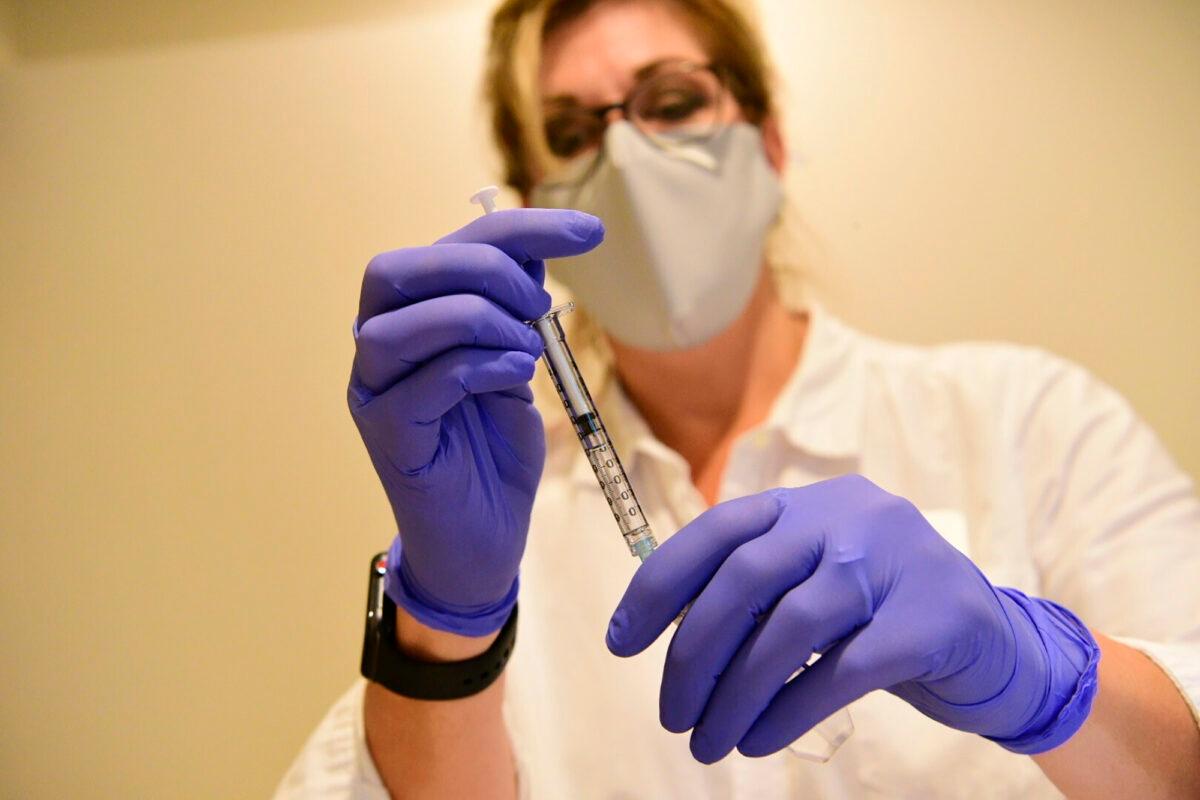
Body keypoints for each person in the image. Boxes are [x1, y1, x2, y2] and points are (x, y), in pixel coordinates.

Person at [276, 0, 1200, 797]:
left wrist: (1040, 675)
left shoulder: (1030, 422)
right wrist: (442, 623)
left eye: (673, 103)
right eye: (573, 132)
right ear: (527, 204)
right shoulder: (509, 528)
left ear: (769, 140)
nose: (627, 156)